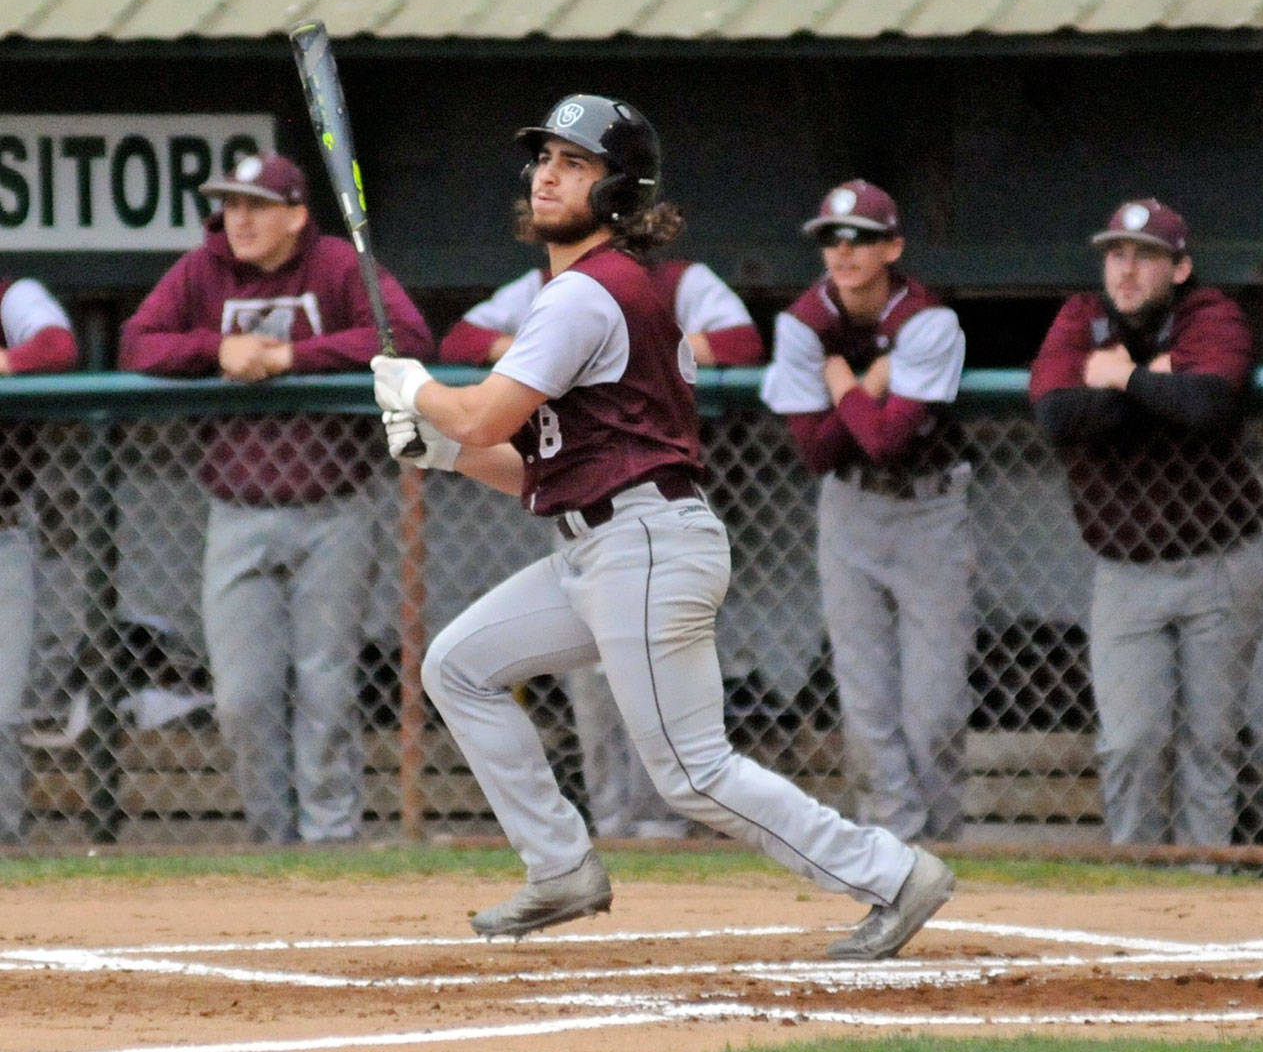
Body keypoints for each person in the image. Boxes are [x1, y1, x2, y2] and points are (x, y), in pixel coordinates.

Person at [371, 93, 954, 957]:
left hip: (641, 547)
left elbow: (485, 415)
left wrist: (418, 390)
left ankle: (891, 874)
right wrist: (441, 449)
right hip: (603, 544)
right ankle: (560, 866)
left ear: (618, 190)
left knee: (689, 770)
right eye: (546, 159)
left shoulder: (587, 297)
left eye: (575, 164)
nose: (548, 175)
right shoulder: (597, 293)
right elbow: (540, 466)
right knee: (459, 666)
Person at [119, 152, 435, 844]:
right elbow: (137, 344)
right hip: (236, 509)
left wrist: (293, 357)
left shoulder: (335, 264)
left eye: (255, 206)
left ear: (295, 215)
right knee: (242, 696)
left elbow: (407, 336)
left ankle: (330, 842)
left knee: (326, 687)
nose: (239, 219)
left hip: (335, 507)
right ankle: (272, 840)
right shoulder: (202, 270)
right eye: (230, 206)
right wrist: (216, 349)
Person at [440, 251, 764, 841]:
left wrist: (655, 350)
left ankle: (665, 825)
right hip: (581, 505)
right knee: (585, 686)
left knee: (665, 697)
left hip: (659, 504)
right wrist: (542, 357)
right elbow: (461, 338)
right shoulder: (548, 287)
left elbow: (743, 343)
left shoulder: (674, 281)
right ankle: (612, 823)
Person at [1029, 198, 1263, 847]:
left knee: (1211, 742)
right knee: (1132, 741)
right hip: (1126, 569)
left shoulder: (1210, 313)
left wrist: (1120, 377)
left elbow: (1210, 405)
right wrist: (1154, 386)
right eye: (1116, 253)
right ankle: (1135, 889)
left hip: (1221, 558)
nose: (1127, 269)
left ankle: (1204, 899)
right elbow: (1056, 416)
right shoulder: (1080, 317)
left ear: (1181, 266)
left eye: (1147, 255)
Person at [760, 180, 974, 843]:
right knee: (865, 697)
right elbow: (820, 453)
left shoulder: (929, 320)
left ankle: (939, 838)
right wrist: (870, 393)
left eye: (861, 238)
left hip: (931, 509)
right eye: (832, 238)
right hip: (848, 508)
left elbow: (887, 441)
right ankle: (892, 840)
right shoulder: (801, 321)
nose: (844, 251)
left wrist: (846, 387)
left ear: (893, 247)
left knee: (934, 706)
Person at [0, 277, 79, 843]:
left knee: (1, 714)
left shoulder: (11, 295)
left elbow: (57, 347)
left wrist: (5, 362)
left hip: (3, 530)